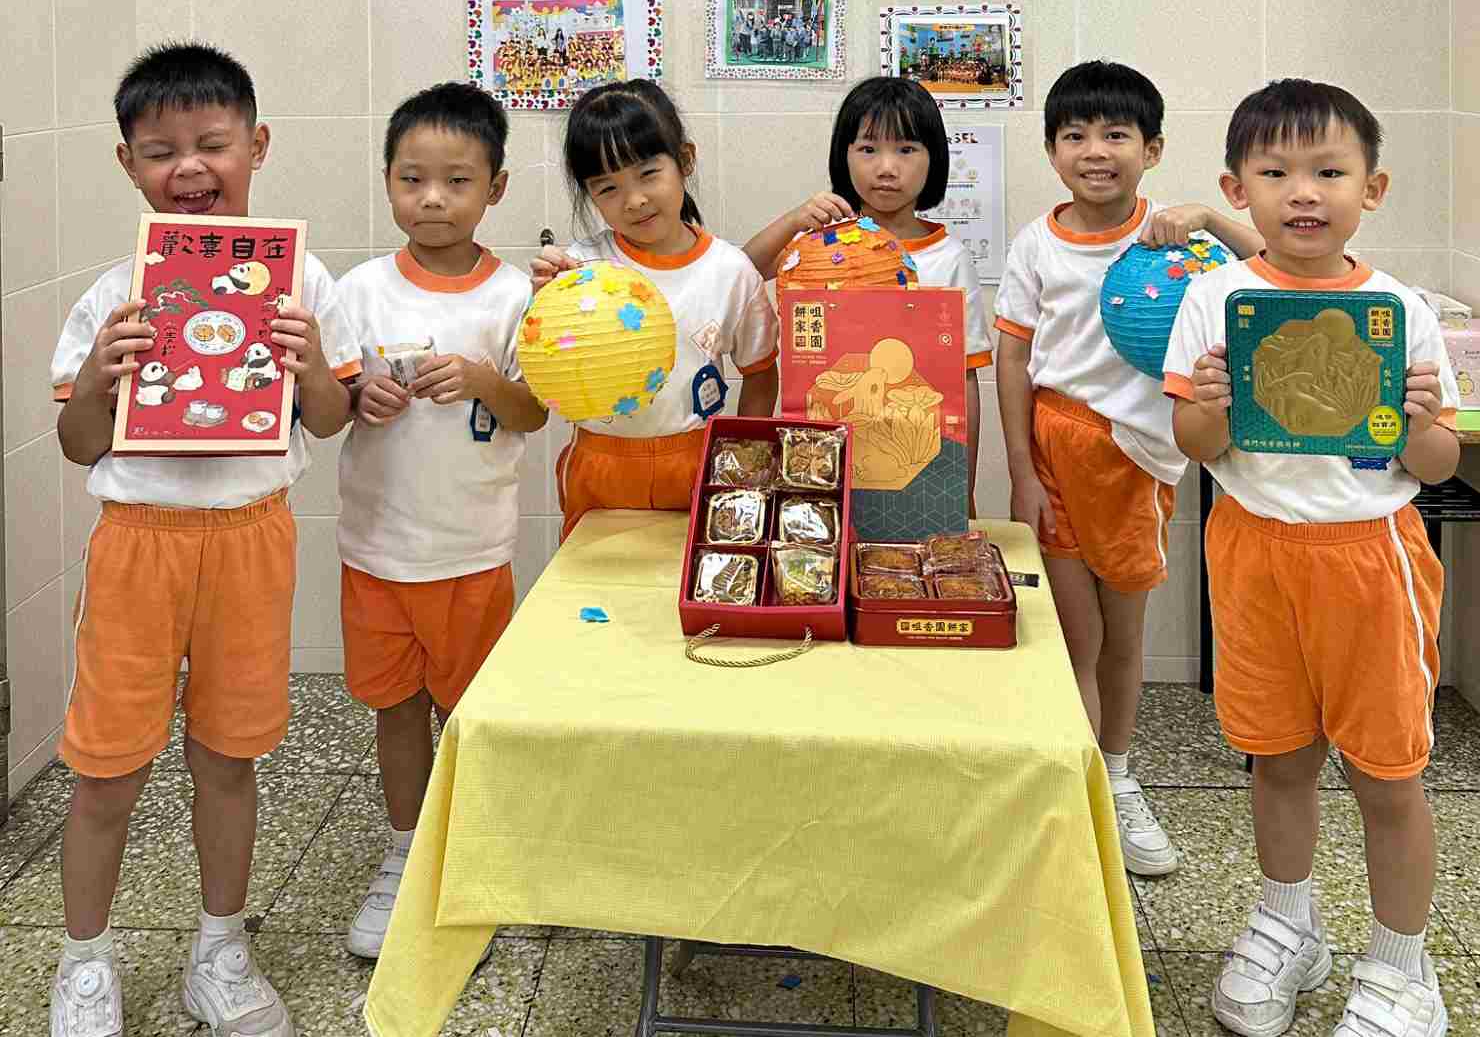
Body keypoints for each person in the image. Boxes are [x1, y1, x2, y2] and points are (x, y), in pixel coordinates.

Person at [49, 43, 359, 1037]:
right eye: (160, 151)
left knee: (230, 758)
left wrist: (312, 366)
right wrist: (99, 376)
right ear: (128, 164)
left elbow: (329, 419)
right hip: (137, 542)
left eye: (212, 144)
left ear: (255, 147)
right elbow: (77, 443)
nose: (188, 167)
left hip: (250, 539)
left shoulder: (303, 280)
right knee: (107, 768)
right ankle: (84, 961)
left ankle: (219, 949)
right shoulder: (112, 297)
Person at [1165, 79, 1458, 1037]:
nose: (1302, 191)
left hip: (1368, 556)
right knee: (1278, 756)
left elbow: (1436, 462)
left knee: (1387, 773)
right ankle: (1287, 924)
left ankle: (1402, 969)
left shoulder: (1399, 309)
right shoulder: (1214, 299)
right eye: (1275, 172)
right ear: (1235, 189)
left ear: (1371, 188)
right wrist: (1208, 402)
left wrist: (1418, 420)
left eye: (1328, 171)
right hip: (1252, 550)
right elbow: (1196, 445)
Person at [994, 61, 1260, 880]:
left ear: (1152, 149)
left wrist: (1208, 214)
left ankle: (1116, 774)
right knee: (1074, 635)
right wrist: (1021, 472)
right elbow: (1011, 358)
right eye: (1073, 135)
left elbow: (1272, 264)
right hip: (1055, 447)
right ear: (1050, 151)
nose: (1094, 151)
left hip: (1139, 459)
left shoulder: (1183, 241)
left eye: (1115, 134)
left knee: (1123, 634)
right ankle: (1079, 790)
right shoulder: (1035, 244)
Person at [335, 83, 546, 961]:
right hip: (376, 548)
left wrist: (482, 379)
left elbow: (534, 411)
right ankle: (405, 852)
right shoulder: (358, 290)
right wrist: (360, 396)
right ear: (387, 181)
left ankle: (470, 857)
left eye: (456, 181)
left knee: (466, 713)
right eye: (411, 178)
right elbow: (330, 402)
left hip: (472, 549)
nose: (432, 199)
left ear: (495, 188)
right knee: (393, 708)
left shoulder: (516, 296)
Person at [532, 81, 779, 539]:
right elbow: (543, 375)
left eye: (648, 174)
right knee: (590, 580)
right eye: (608, 188)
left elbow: (761, 372)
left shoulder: (731, 271)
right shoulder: (580, 267)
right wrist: (544, 305)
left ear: (685, 161)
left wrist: (745, 457)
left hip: (698, 462)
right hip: (599, 464)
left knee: (690, 579)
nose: (634, 200)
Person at [743, 76, 993, 513]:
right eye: (868, 148)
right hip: (822, 454)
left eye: (906, 149)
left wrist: (962, 487)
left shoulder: (948, 257)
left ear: (934, 159)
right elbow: (741, 272)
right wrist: (795, 220)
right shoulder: (821, 245)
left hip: (911, 457)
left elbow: (965, 380)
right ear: (844, 156)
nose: (887, 167)